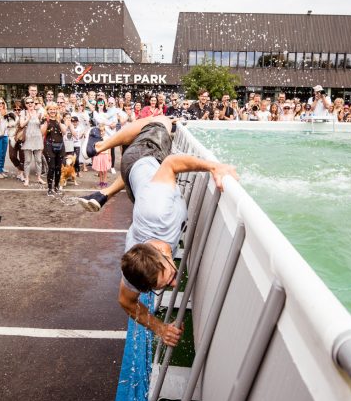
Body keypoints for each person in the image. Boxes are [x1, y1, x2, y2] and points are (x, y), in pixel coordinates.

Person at [78, 116, 237, 346]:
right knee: (147, 181)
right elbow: (126, 300)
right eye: (165, 284)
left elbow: (171, 163)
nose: (174, 283)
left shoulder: (159, 211)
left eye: (171, 276)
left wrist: (214, 166)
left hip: (141, 158)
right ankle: (103, 194)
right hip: (135, 184)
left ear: (160, 254)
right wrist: (160, 328)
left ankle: (99, 145)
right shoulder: (137, 267)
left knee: (162, 122)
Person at [41, 104, 67, 197]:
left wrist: (59, 122)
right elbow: (42, 132)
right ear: (47, 110)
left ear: (57, 110)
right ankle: (49, 189)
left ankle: (56, 187)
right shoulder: (44, 120)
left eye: (54, 109)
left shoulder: (60, 119)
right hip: (49, 146)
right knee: (51, 168)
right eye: (50, 109)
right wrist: (46, 122)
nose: (52, 111)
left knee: (58, 168)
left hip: (60, 145)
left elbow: (64, 132)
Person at [18, 96, 44, 187]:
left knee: (38, 160)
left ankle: (39, 177)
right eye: (28, 103)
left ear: (34, 103)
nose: (30, 104)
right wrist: (28, 118)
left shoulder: (39, 112)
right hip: (28, 139)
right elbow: (21, 125)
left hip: (37, 138)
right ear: (25, 105)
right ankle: (27, 178)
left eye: (32, 102)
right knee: (27, 161)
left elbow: (42, 125)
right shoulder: (23, 112)